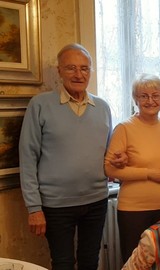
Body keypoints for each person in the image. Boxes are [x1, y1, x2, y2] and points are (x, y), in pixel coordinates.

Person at [19, 43, 113, 270]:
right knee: (62, 264)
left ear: (91, 71)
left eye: (84, 68)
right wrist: (34, 208)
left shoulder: (102, 107)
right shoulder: (40, 105)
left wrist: (117, 162)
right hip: (56, 205)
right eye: (71, 68)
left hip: (96, 201)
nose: (79, 74)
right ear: (59, 71)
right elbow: (28, 156)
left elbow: (109, 153)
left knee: (90, 261)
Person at [104, 73, 160, 263]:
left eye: (156, 95)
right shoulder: (124, 128)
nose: (150, 100)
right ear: (135, 99)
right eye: (144, 96)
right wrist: (148, 174)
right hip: (134, 210)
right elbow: (110, 170)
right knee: (135, 263)